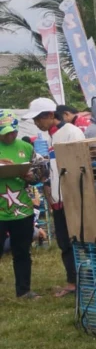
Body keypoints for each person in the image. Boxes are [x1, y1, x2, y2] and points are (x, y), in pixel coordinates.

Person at [25, 98, 84, 297]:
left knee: (76, 240)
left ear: (50, 115)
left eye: (38, 119)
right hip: (58, 199)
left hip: (72, 197)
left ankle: (78, 281)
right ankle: (72, 281)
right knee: (64, 241)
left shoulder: (72, 133)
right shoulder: (51, 136)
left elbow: (78, 165)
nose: (36, 123)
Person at [0, 113, 39, 298]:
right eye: (4, 133)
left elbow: (40, 174)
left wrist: (32, 177)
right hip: (0, 210)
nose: (9, 137)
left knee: (22, 251)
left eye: (12, 132)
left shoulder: (26, 147)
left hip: (22, 209)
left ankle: (24, 290)